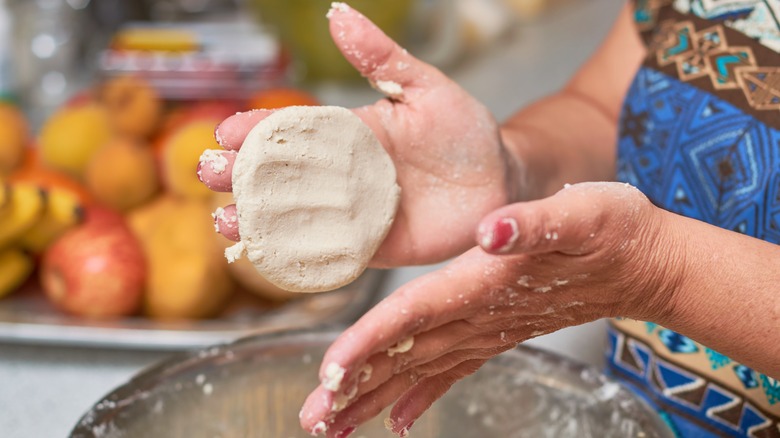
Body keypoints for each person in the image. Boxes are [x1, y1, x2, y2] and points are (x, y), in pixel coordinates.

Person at [199, 2, 780, 437]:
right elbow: (607, 105)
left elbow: (656, 267)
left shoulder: (652, 273)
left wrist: (661, 274)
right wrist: (514, 162)